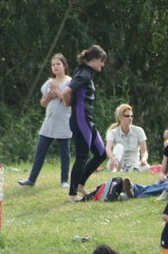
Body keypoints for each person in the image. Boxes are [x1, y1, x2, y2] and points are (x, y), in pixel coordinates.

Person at [61, 45, 107, 202]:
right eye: (101, 61)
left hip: (87, 121)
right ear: (93, 59)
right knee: (82, 157)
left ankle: (80, 184)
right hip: (81, 121)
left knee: (101, 153)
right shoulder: (85, 74)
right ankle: (72, 194)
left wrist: (70, 103)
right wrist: (68, 103)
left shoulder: (83, 71)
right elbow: (66, 91)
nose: (103, 65)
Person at [18, 54, 72, 188]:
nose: (55, 67)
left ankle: (64, 180)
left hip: (64, 122)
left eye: (58, 64)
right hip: (49, 122)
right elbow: (42, 102)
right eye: (53, 65)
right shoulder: (48, 83)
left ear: (64, 66)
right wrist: (47, 98)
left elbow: (69, 102)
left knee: (64, 153)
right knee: (40, 151)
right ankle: (31, 179)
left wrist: (57, 92)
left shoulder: (70, 82)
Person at [105, 104, 150, 172]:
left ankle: (132, 170)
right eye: (127, 116)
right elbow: (108, 148)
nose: (130, 118)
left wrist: (144, 159)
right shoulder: (112, 132)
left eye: (131, 116)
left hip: (133, 164)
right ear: (120, 117)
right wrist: (113, 159)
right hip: (117, 163)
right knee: (119, 146)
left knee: (147, 167)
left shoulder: (139, 130)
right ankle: (115, 170)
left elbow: (144, 151)